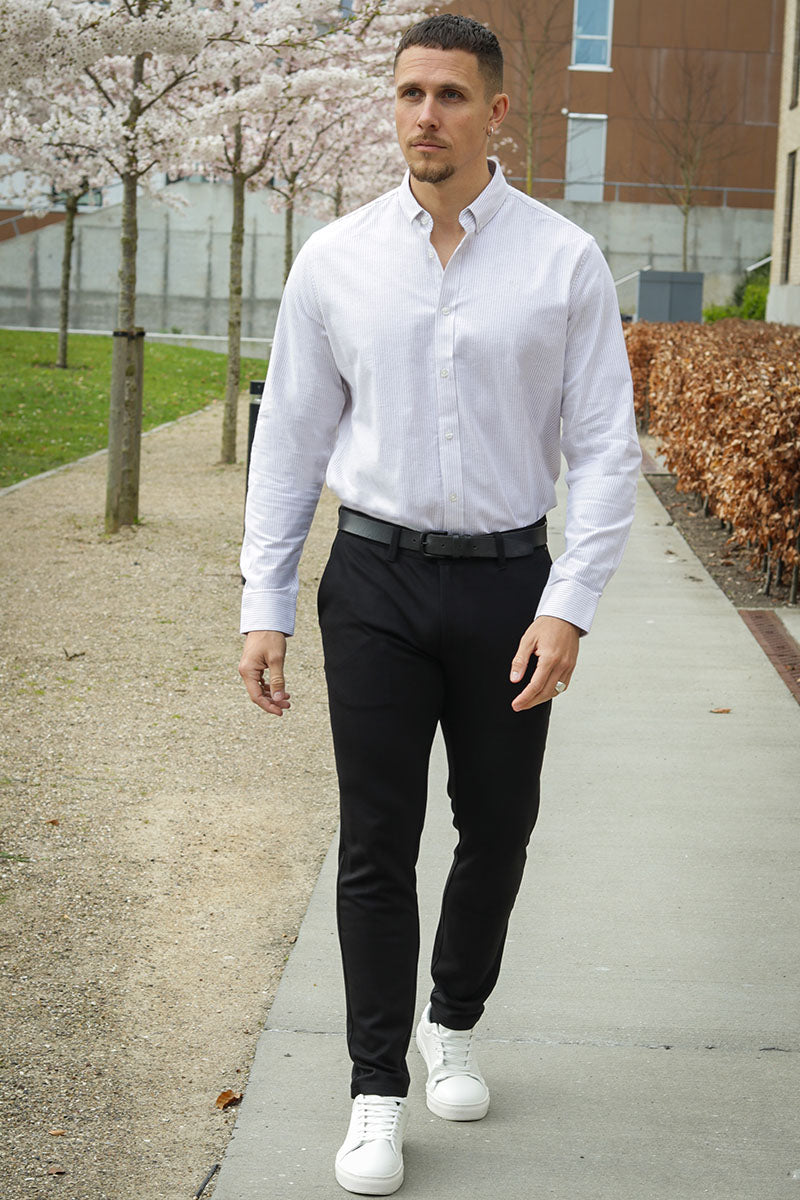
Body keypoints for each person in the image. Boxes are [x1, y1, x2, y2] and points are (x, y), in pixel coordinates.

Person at [239, 13, 640, 1195]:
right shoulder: (335, 260)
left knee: (497, 826)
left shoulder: (562, 261)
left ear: (494, 111)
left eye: (450, 94)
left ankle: (450, 1018)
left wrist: (568, 603)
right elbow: (290, 442)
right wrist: (263, 601)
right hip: (373, 580)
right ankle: (373, 1090)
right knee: (375, 841)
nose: (426, 115)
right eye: (409, 92)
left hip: (509, 586)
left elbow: (604, 451)